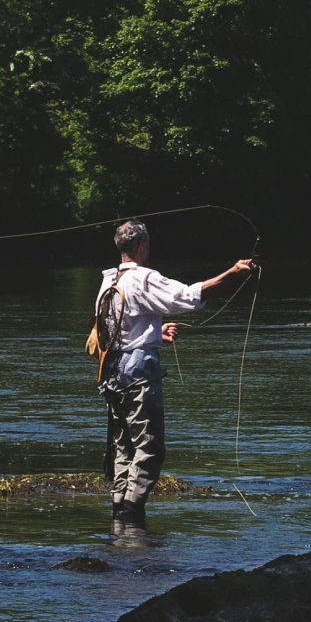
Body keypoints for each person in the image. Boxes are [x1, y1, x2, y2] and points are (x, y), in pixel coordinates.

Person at [90, 220, 258, 530]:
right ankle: (132, 515)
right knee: (149, 447)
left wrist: (156, 332)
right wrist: (233, 274)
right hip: (138, 373)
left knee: (124, 446)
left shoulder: (108, 280)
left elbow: (117, 327)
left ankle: (119, 516)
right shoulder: (143, 279)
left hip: (112, 373)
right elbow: (189, 297)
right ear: (141, 246)